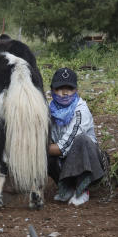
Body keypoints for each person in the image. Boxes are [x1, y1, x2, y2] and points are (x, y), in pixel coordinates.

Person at [47, 67, 106, 206]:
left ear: (76, 90)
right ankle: (66, 188)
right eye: (60, 88)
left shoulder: (81, 110)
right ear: (52, 91)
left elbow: (63, 148)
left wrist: (35, 148)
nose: (65, 93)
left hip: (89, 162)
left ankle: (83, 190)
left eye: (70, 89)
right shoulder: (49, 110)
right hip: (66, 159)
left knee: (81, 140)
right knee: (43, 142)